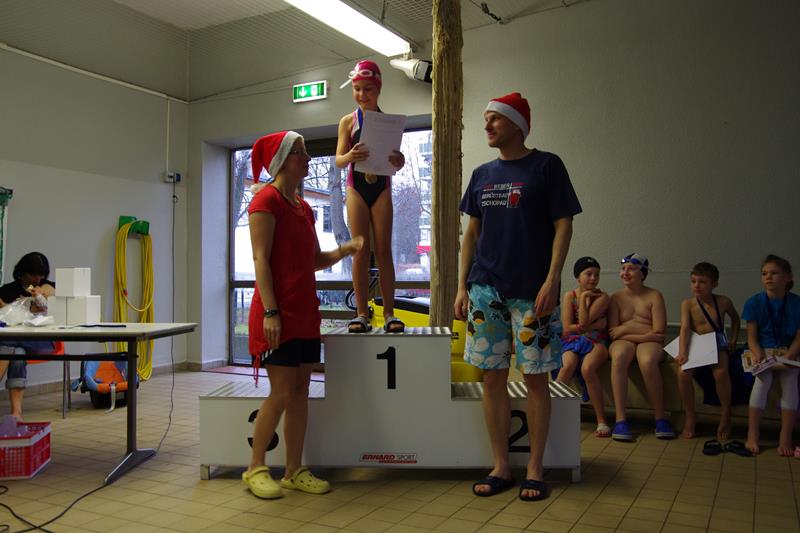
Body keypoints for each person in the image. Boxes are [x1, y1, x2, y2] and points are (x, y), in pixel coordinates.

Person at [454, 92, 581, 501]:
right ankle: (501, 466)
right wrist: (462, 285)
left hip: (532, 292)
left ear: (517, 124)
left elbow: (564, 225)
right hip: (485, 289)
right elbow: (471, 234)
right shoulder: (481, 174)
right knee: (492, 378)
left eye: (495, 118)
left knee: (535, 379)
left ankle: (535, 469)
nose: (487, 125)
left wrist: (553, 278)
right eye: (486, 119)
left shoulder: (547, 166)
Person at [242, 131, 363, 499]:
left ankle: (293, 470)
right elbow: (260, 259)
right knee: (281, 393)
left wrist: (346, 249)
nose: (308, 158)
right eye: (300, 152)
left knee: (300, 392)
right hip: (277, 314)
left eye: (306, 151)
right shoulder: (266, 200)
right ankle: (255, 468)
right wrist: (271, 311)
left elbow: (313, 260)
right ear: (282, 159)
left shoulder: (304, 208)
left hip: (304, 313)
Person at [335, 60, 406, 333]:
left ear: (378, 90)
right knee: (360, 251)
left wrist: (399, 160)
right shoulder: (348, 121)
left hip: (382, 188)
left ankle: (389, 313)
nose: (362, 94)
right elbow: (339, 160)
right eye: (357, 89)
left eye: (368, 89)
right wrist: (350, 155)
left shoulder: (388, 122)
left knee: (384, 250)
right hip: (356, 188)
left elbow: (395, 160)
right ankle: (362, 312)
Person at [607, 253, 675, 441]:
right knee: (619, 356)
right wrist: (643, 334)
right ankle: (620, 420)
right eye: (623, 269)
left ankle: (660, 418)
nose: (625, 272)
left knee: (647, 360)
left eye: (631, 269)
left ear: (643, 273)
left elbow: (659, 331)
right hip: (630, 340)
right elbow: (613, 332)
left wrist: (625, 329)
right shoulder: (615, 298)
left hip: (649, 342)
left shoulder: (654, 295)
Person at [743, 254, 800, 456]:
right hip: (764, 350)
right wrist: (758, 354)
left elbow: (798, 338)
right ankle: (753, 433)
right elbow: (752, 338)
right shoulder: (753, 302)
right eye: (764, 273)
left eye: (774, 273)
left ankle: (785, 436)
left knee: (790, 380)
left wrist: (791, 355)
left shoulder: (797, 303)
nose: (768, 277)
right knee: (762, 380)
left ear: (788, 277)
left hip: (789, 351)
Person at [675, 262, 739, 440]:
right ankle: (690, 415)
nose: (696, 285)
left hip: (716, 341)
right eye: (693, 281)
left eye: (702, 282)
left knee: (720, 373)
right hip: (696, 342)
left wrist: (733, 339)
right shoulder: (687, 303)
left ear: (714, 284)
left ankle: (726, 413)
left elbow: (736, 319)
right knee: (683, 374)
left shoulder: (723, 301)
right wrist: (682, 352)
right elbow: (685, 328)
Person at [555, 256, 610, 438]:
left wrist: (586, 298)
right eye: (589, 274)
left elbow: (583, 322)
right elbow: (566, 328)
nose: (593, 278)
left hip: (597, 342)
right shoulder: (569, 296)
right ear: (578, 277)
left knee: (587, 368)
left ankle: (601, 420)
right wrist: (596, 324)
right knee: (567, 365)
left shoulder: (602, 297)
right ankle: (550, 413)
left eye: (597, 274)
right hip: (572, 340)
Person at [0, 252, 56, 420]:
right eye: (33, 274)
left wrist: (41, 294)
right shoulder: (8, 290)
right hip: (17, 343)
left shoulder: (45, 286)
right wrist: (9, 307)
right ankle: (16, 413)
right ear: (22, 273)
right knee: (17, 353)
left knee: (8, 341)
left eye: (41, 275)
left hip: (42, 342)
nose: (38, 279)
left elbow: (51, 291)